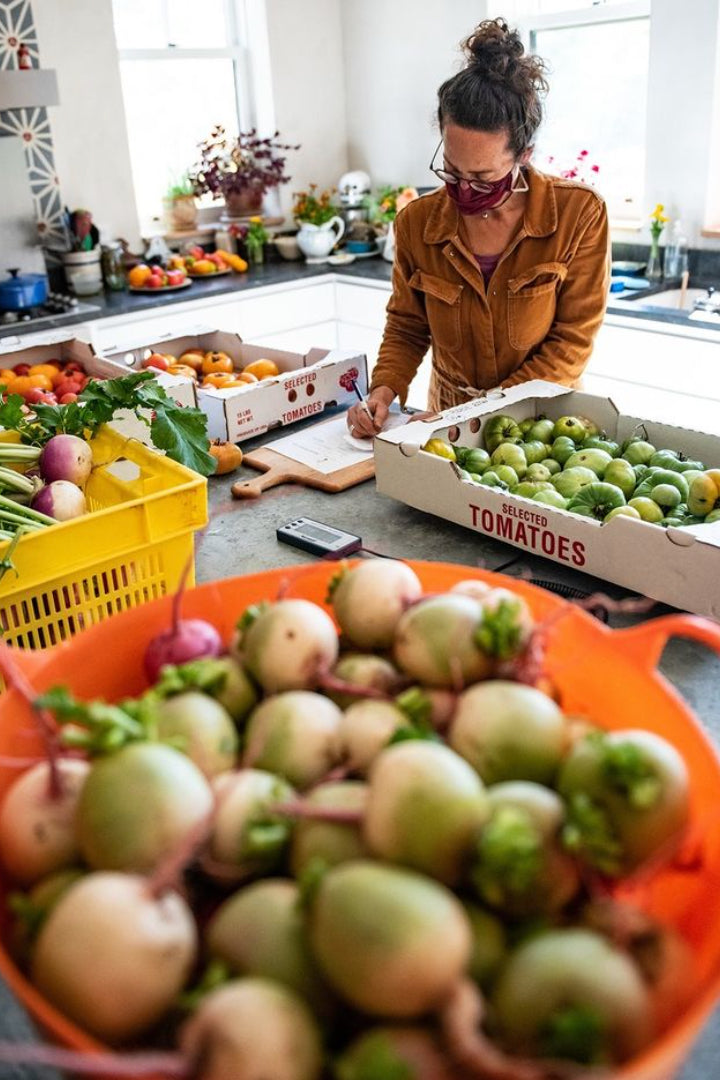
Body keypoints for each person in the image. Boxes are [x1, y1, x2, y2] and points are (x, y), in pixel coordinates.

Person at [347, 18, 610, 438]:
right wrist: (383, 389)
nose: (464, 190)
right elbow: (407, 326)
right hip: (444, 420)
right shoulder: (417, 223)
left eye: (483, 178)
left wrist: (482, 414)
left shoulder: (578, 214)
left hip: (541, 428)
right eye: (451, 171)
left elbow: (571, 343)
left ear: (524, 154)